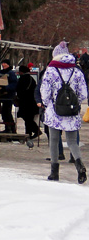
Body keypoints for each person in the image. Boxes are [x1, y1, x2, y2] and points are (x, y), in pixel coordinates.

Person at [38, 43, 88, 183]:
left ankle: (54, 172)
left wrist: (48, 103)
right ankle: (80, 167)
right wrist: (74, 103)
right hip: (71, 111)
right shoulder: (77, 71)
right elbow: (84, 93)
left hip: (55, 110)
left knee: (54, 140)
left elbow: (45, 91)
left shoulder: (51, 71)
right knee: (72, 142)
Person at [16, 63, 41, 144]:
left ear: (21, 72)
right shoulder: (31, 79)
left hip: (25, 103)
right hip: (32, 103)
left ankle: (31, 133)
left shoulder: (22, 79)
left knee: (27, 118)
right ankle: (31, 133)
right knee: (29, 118)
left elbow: (18, 89)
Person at [0, 59, 18, 133]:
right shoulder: (1, 72)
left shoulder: (11, 73)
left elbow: (14, 84)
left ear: (8, 64)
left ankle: (11, 128)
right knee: (4, 112)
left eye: (5, 63)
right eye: (2, 63)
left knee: (7, 112)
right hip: (2, 95)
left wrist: (5, 88)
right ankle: (8, 128)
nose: (3, 65)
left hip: (8, 96)